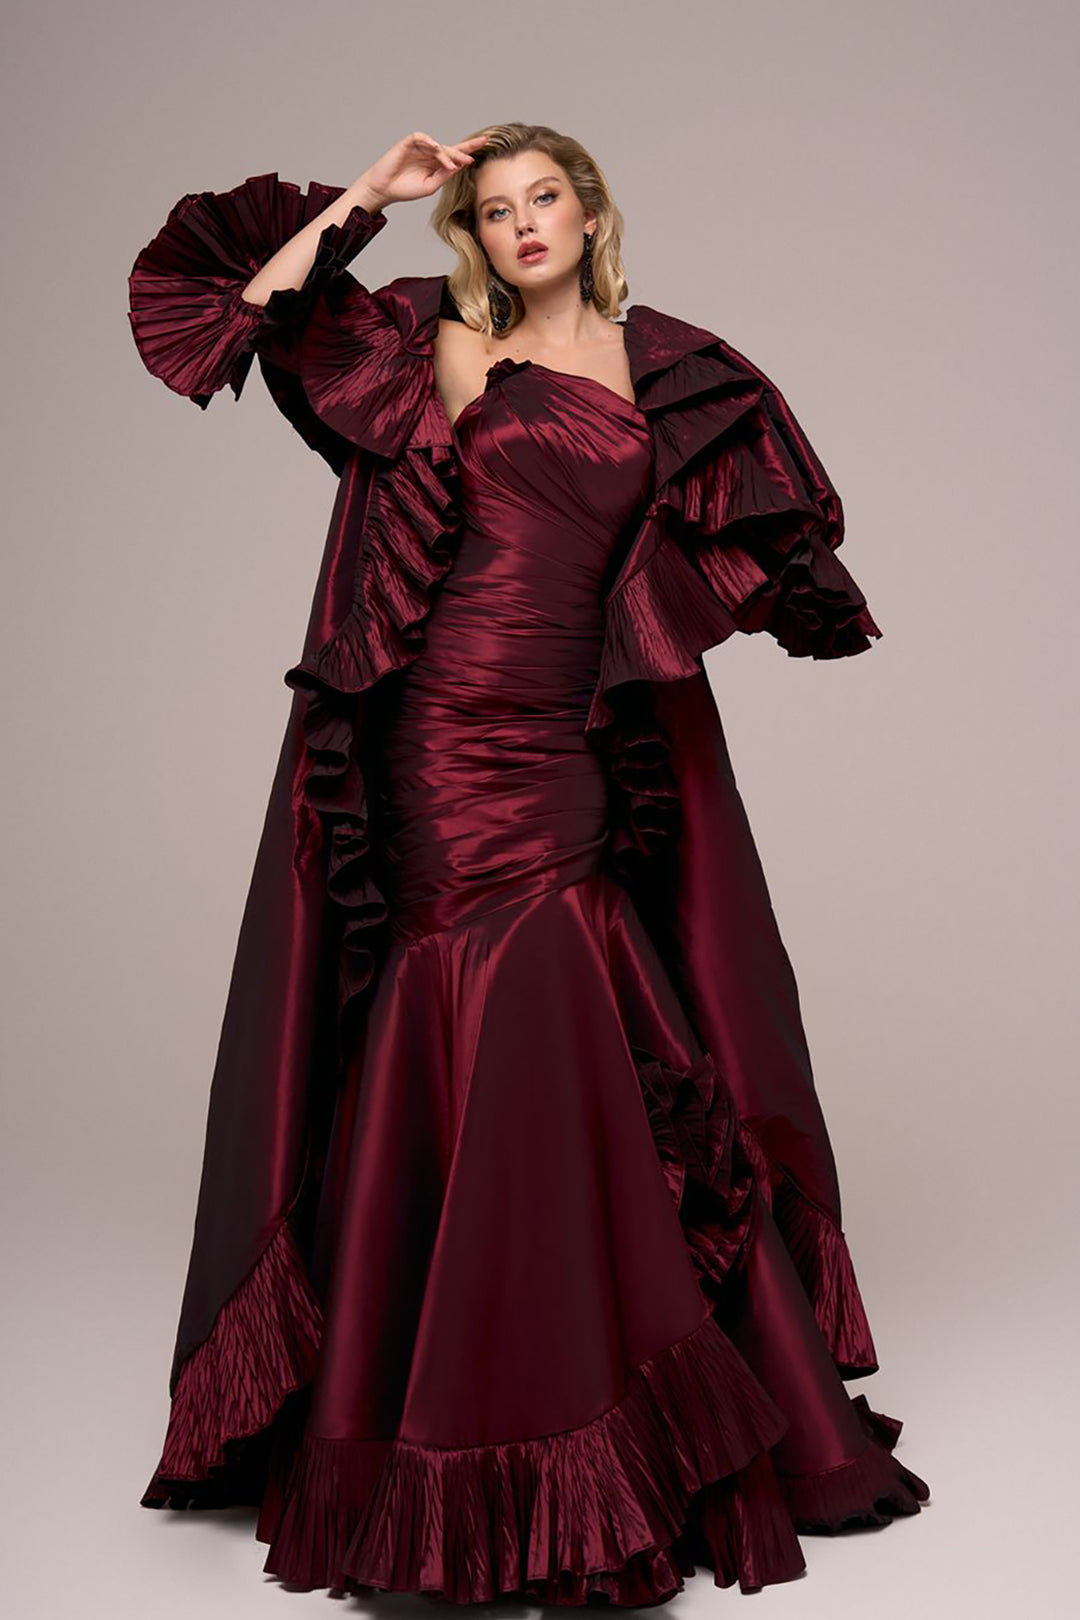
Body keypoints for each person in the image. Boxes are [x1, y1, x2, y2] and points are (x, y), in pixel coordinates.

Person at [128, 123, 930, 1606]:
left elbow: (755, 550)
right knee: (467, 997)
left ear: (592, 213)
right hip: (436, 733)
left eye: (545, 197)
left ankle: (590, 1403)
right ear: (476, 237)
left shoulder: (673, 369)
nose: (523, 224)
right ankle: (452, 1426)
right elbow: (247, 318)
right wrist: (371, 196)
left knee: (573, 1005)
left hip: (565, 736)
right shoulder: (431, 347)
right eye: (495, 210)